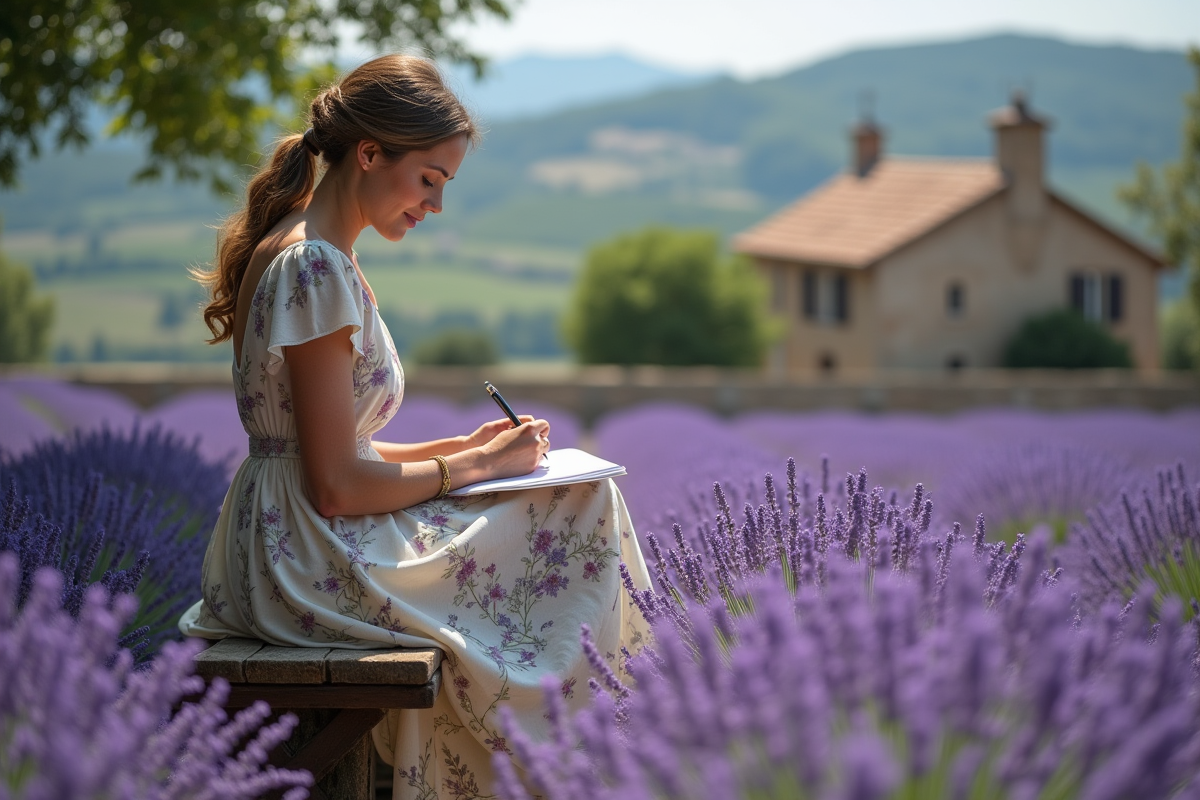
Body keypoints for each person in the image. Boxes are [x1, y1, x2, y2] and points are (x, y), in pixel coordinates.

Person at [179, 54, 650, 799]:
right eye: (429, 179)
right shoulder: (315, 268)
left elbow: (326, 450)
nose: (435, 205)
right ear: (369, 154)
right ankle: (592, 755)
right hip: (306, 554)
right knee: (583, 503)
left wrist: (466, 447)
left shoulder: (308, 249)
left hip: (286, 535)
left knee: (566, 501)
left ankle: (575, 751)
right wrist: (479, 470)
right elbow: (336, 485)